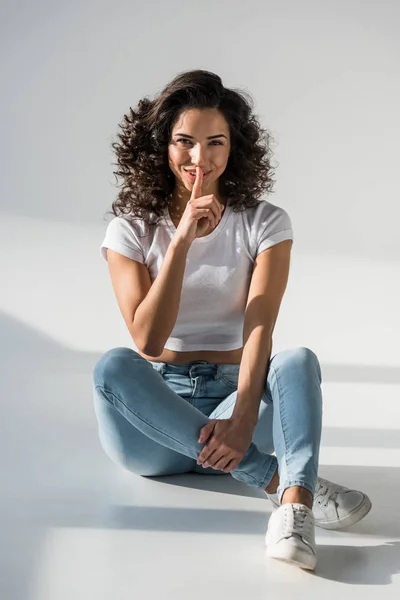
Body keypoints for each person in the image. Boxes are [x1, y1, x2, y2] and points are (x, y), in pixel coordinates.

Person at [93, 69, 371, 571]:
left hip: (234, 409)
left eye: (215, 142)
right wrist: (180, 241)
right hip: (153, 425)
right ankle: (282, 484)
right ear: (162, 146)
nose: (199, 159)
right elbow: (149, 340)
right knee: (114, 365)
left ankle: (293, 518)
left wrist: (243, 416)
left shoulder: (265, 222)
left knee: (296, 360)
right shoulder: (129, 230)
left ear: (234, 147)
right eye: (184, 142)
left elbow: (260, 325)